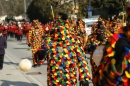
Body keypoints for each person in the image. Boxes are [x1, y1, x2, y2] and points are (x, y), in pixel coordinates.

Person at [42, 13, 90, 86]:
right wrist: (40, 55)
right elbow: (40, 61)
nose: (61, 30)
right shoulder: (49, 41)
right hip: (54, 82)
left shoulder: (74, 41)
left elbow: (82, 59)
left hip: (70, 81)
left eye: (63, 26)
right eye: (59, 27)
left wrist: (84, 78)